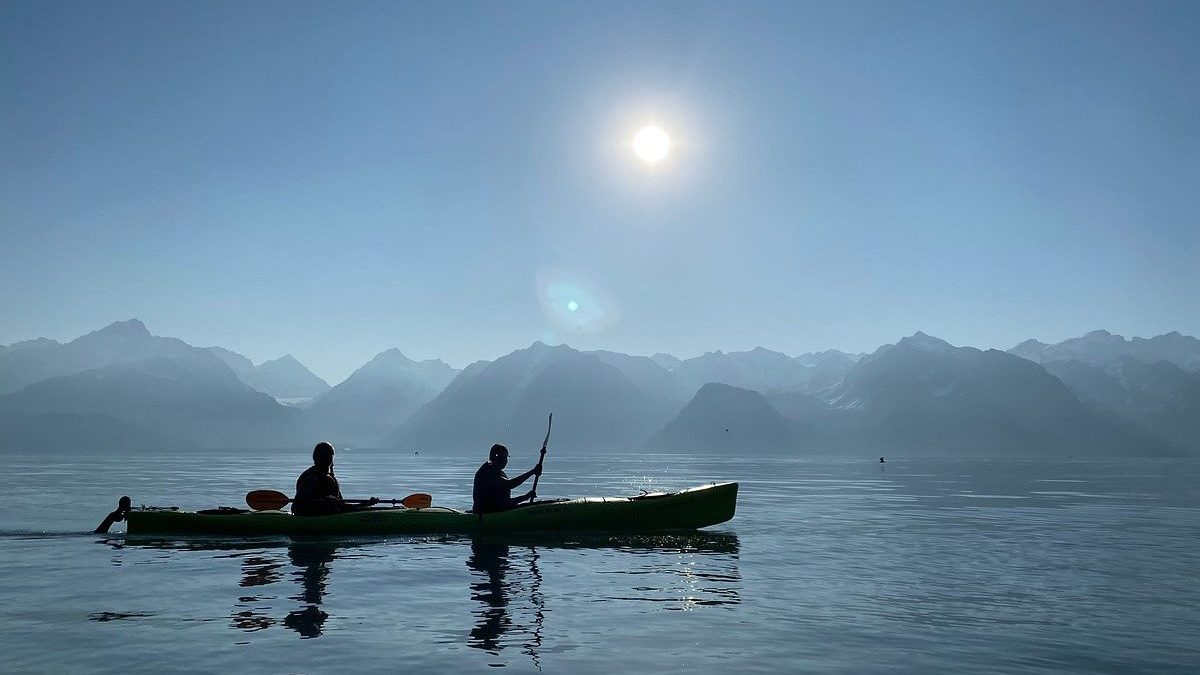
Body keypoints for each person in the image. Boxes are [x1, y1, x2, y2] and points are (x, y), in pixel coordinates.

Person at [294, 441, 378, 516]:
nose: (327, 458)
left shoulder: (331, 479)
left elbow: (341, 504)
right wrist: (322, 502)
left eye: (329, 454)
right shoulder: (312, 478)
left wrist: (365, 504)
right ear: (316, 458)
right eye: (324, 455)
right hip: (314, 516)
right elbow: (296, 508)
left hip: (331, 513)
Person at [472, 443, 542, 513]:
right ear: (492, 458)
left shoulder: (501, 474)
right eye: (500, 457)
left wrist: (526, 497)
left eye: (505, 457)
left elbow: (506, 502)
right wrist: (532, 472)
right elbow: (509, 484)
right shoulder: (486, 472)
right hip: (484, 513)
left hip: (498, 509)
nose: (503, 460)